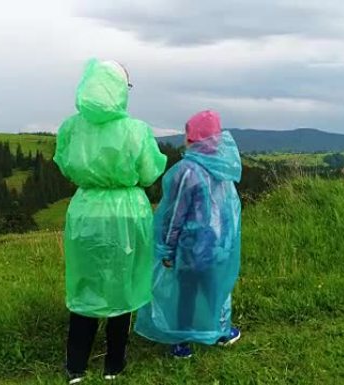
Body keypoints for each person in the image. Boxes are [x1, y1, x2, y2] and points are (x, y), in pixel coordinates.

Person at [53, 58, 167, 383]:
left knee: (85, 285)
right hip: (127, 213)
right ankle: (113, 365)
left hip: (86, 211)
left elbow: (64, 163)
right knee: (123, 284)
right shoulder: (136, 130)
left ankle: (76, 366)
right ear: (121, 89)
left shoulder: (72, 127)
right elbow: (149, 172)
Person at [134, 110, 242, 358]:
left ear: (192, 139)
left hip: (190, 249)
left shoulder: (187, 171)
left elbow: (174, 216)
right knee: (216, 289)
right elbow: (229, 213)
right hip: (218, 249)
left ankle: (181, 341)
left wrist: (167, 249)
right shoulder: (224, 170)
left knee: (186, 293)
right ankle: (221, 330)